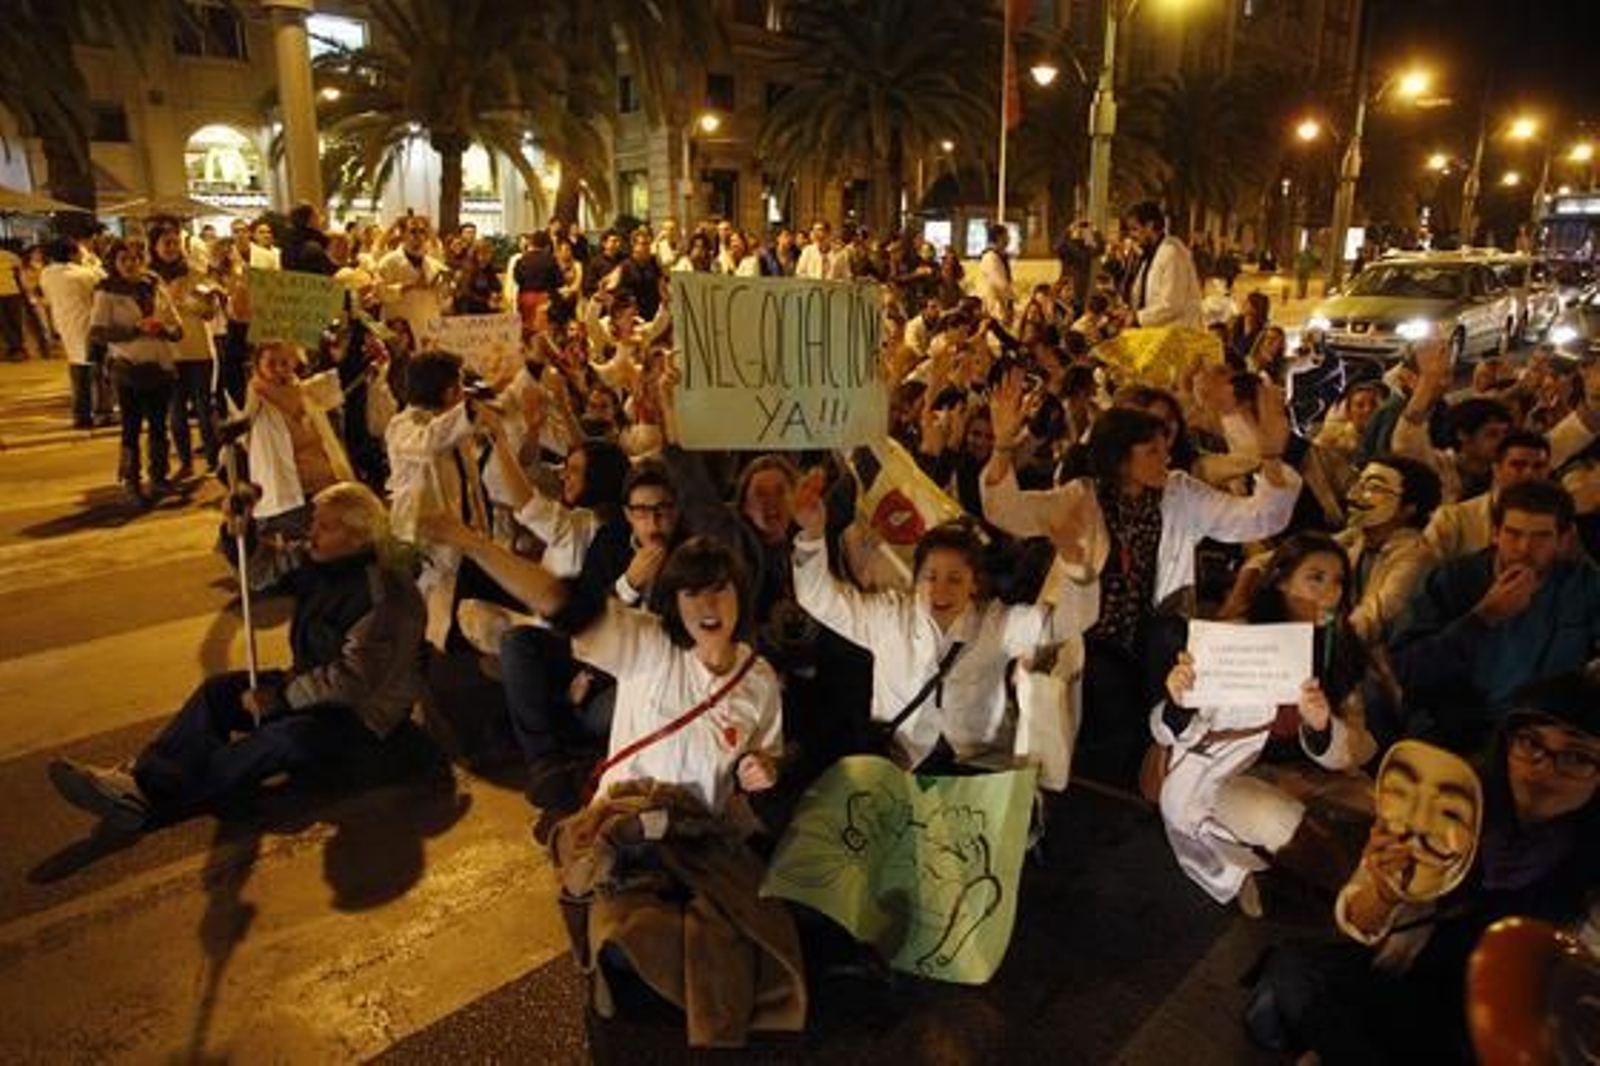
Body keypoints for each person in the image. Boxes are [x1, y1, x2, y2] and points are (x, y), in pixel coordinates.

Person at [1246, 670, 1600, 1064]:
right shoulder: (1449, 801)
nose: (1542, 768)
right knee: (1296, 968)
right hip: (1406, 982)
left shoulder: (1587, 869)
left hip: (1487, 1030)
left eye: (1576, 757)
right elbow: (1358, 916)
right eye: (1530, 742)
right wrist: (1383, 893)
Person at [47, 482, 427, 831]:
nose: (311, 533)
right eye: (314, 522)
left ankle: (155, 797)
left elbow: (352, 682)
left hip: (364, 717)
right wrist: (239, 529)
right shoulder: (320, 558)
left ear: (359, 537)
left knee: (282, 739)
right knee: (219, 692)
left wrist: (281, 698)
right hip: (310, 684)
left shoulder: (385, 594)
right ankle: (148, 777)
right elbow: (260, 573)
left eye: (325, 527)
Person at [982, 372, 1302, 784]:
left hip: (1153, 635)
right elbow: (1006, 510)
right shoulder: (1081, 497)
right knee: (1105, 688)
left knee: (1169, 637)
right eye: (1152, 451)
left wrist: (1272, 457)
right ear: (1120, 459)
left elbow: (1257, 517)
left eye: (1165, 446)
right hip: (1091, 637)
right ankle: (1116, 786)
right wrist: (1003, 447)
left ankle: (1159, 760)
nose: (1166, 458)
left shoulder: (1180, 492)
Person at [792, 487, 1098, 772]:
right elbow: (818, 599)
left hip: (976, 764)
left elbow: (1066, 624)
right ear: (915, 580)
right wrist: (811, 534)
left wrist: (1077, 568)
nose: (940, 591)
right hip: (900, 762)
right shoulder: (888, 618)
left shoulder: (995, 624)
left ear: (973, 584)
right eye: (930, 577)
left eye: (955, 579)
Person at [1155, 533, 1378, 915]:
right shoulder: (1238, 641)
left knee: (1385, 809)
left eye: (1339, 581)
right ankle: (1359, 899)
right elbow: (1177, 730)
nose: (1331, 592)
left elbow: (1359, 741)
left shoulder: (1341, 648)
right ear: (1281, 581)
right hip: (1230, 776)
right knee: (1274, 816)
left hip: (1315, 773)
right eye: (1316, 577)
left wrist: (1323, 728)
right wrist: (1180, 701)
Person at [1392, 479, 1600, 752]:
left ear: (1564, 539)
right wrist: (1482, 617)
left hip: (1544, 736)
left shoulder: (1583, 586)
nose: (1525, 548)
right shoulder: (1453, 580)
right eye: (1513, 534)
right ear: (1495, 533)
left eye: (1541, 536)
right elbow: (1408, 668)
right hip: (1456, 730)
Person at [90, 239, 184, 506]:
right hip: (128, 368)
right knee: (130, 429)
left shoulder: (154, 286)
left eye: (135, 258)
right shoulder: (106, 291)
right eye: (124, 259)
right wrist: (135, 330)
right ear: (114, 263)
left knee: (158, 427)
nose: (131, 264)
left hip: (160, 366)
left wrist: (162, 330)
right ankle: (131, 480)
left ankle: (159, 477)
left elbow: (177, 328)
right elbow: (97, 333)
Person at [240, 341, 356, 539]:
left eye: (284, 362)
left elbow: (339, 385)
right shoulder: (257, 399)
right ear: (258, 365)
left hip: (322, 480)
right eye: (271, 363)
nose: (278, 369)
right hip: (289, 490)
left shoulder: (304, 389)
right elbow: (245, 431)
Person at [148, 224, 221, 477]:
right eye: (166, 243)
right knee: (176, 411)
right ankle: (186, 462)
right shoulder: (148, 279)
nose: (171, 248)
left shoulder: (196, 274)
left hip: (199, 350)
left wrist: (185, 302)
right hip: (167, 354)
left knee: (204, 410)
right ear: (154, 247)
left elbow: (210, 312)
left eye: (175, 242)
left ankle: (214, 459)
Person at [1423, 428, 1554, 563]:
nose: (1529, 474)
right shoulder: (1453, 520)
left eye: (1539, 466)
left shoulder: (1560, 520)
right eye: (1518, 465)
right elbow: (1424, 574)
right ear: (1496, 469)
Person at [38, 238, 105, 429]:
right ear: (72, 254)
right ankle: (101, 412)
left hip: (65, 326)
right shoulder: (84, 274)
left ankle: (81, 415)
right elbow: (103, 282)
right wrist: (92, 262)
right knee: (96, 373)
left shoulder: (47, 273)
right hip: (88, 325)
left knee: (77, 371)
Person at [1119, 201, 1203, 330]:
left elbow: (1172, 304)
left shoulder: (1172, 253)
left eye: (1135, 229)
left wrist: (1137, 317)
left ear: (1150, 226)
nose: (1132, 236)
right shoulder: (1150, 254)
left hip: (1175, 336)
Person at [375, 215, 447, 342]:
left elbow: (444, 302)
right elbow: (381, 294)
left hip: (428, 327)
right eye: (413, 231)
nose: (418, 236)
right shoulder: (388, 262)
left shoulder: (434, 264)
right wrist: (409, 286)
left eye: (422, 231)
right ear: (403, 234)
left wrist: (445, 289)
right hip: (400, 328)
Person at [976, 223, 1016, 327]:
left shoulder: (999, 256)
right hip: (994, 303)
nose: (1009, 239)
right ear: (999, 237)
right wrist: (1013, 298)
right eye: (1007, 236)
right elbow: (1000, 284)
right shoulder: (990, 257)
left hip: (1000, 303)